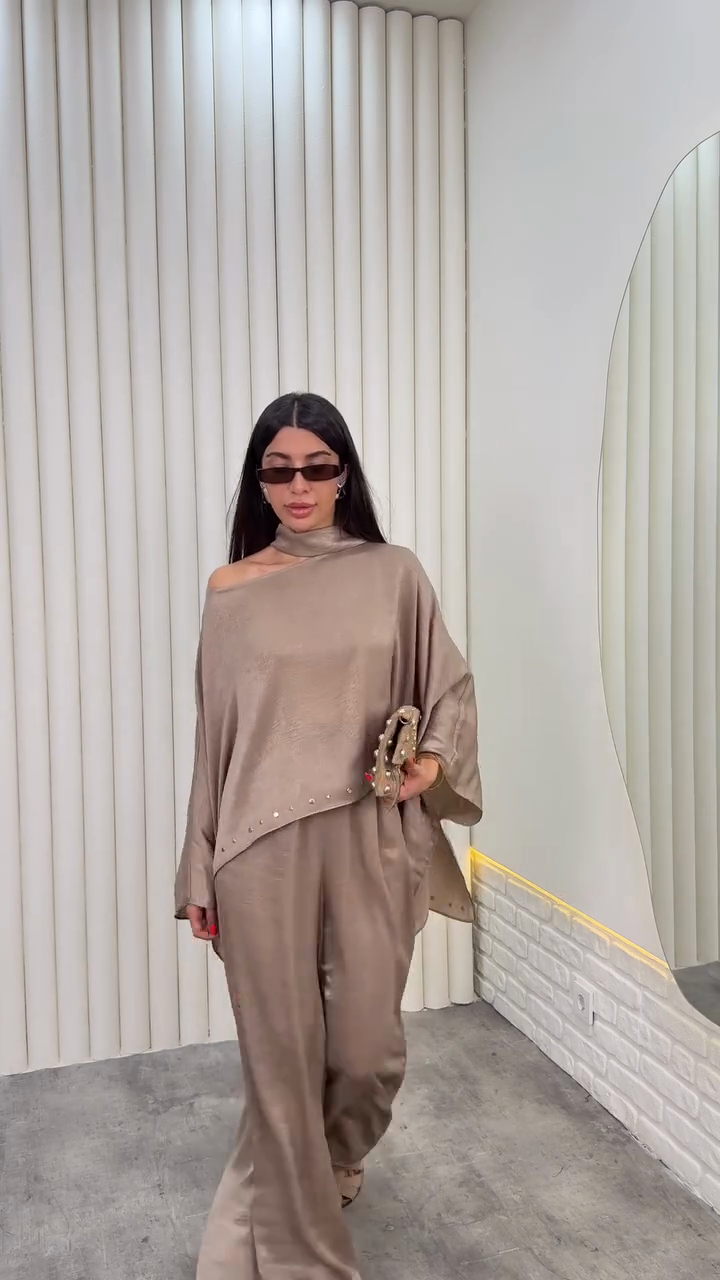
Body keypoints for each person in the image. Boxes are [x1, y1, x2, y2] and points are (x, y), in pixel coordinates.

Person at [175, 392, 482, 1280]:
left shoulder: (394, 573)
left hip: (369, 834)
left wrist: (428, 764)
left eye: (317, 467)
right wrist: (198, 865)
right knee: (282, 1057)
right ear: (258, 481)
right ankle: (298, 1236)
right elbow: (214, 739)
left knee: (364, 1052)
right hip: (256, 852)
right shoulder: (231, 590)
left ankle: (336, 1152)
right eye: (279, 470)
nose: (299, 486)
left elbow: (449, 688)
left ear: (344, 472)